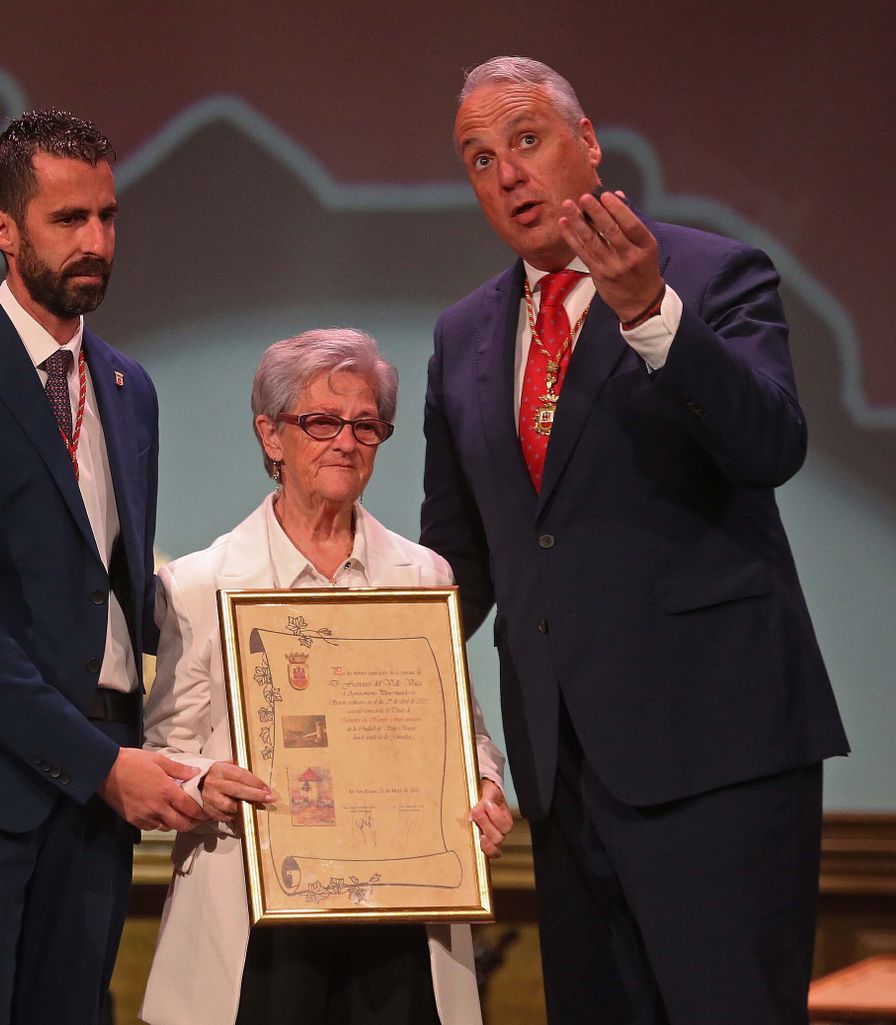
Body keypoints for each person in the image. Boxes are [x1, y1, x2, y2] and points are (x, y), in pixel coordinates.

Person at [419, 56, 848, 1025]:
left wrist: (651, 315)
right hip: (562, 771)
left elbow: (769, 444)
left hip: (718, 754)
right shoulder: (462, 336)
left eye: (527, 141)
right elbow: (459, 553)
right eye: (479, 160)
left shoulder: (710, 273)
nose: (508, 174)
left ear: (588, 144)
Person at [0, 108, 202, 1025]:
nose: (95, 240)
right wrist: (103, 765)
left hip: (94, 789)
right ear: (2, 229)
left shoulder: (130, 389)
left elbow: (115, 593)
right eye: (68, 220)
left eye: (106, 215)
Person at [141, 330, 511, 1025]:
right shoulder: (199, 583)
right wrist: (203, 780)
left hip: (400, 920)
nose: (346, 440)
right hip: (259, 921)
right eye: (321, 421)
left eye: (366, 424)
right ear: (271, 435)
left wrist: (485, 782)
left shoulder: (424, 575)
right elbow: (166, 745)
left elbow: (464, 729)